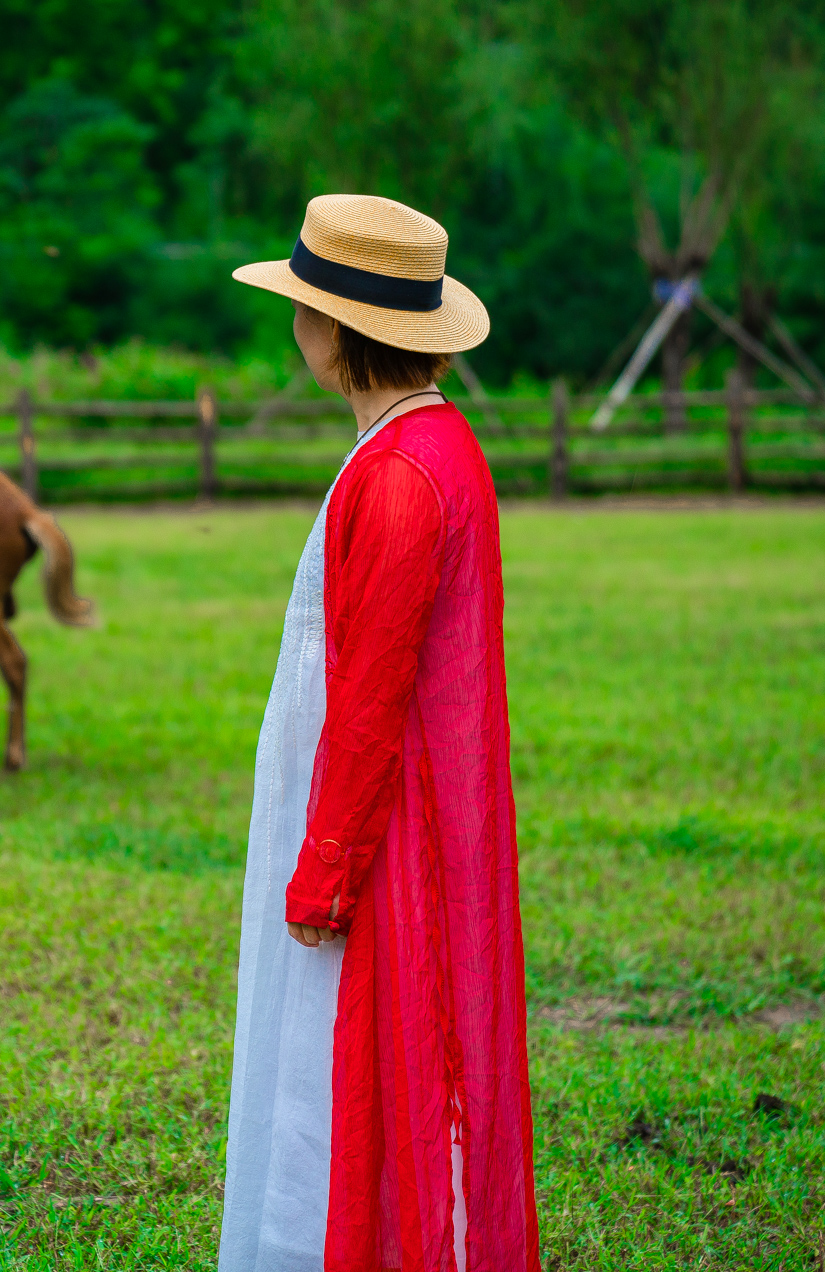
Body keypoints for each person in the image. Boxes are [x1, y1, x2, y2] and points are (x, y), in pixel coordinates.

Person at [219, 194, 541, 1272]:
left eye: (303, 306)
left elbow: (369, 700)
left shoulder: (402, 475)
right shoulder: (424, 446)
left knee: (347, 1068)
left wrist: (324, 875)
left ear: (338, 329)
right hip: (388, 819)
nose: (294, 326)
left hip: (383, 837)